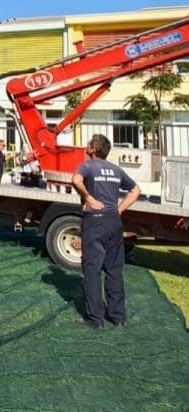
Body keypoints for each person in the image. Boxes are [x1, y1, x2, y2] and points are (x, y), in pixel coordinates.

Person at [71, 134, 141, 328]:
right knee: (114, 270)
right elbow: (136, 190)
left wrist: (89, 198)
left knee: (92, 271)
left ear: (93, 149)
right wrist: (119, 209)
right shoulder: (116, 169)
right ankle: (118, 317)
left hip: (95, 222)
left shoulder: (87, 166)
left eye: (88, 143)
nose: (85, 145)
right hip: (114, 222)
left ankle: (95, 319)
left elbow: (76, 180)